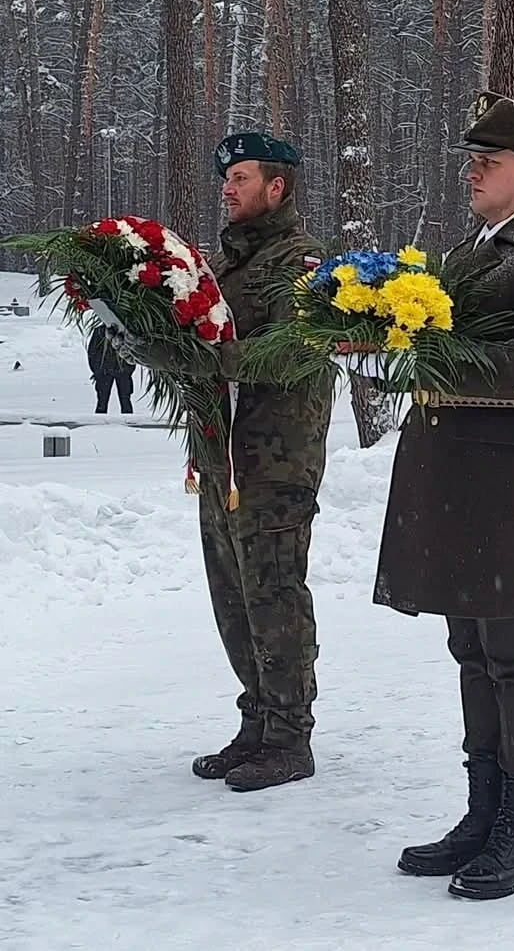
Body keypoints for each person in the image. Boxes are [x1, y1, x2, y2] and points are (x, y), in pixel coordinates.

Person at [376, 93, 514, 900]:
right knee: (470, 651)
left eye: (489, 161)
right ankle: (482, 811)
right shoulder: (471, 250)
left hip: (509, 486)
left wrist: (428, 354)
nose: (473, 171)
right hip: (457, 482)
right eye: (472, 160)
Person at [130, 132, 332, 792]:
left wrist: (196, 359)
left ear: (277, 188)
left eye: (241, 177)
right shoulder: (227, 263)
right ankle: (259, 719)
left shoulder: (302, 264)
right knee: (235, 599)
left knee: (273, 594)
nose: (228, 187)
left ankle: (289, 735)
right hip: (224, 456)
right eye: (227, 177)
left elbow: (290, 351)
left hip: (276, 461)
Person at [87, 325, 135, 414]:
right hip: (106, 371)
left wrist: (128, 369)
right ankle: (99, 423)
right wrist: (97, 370)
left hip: (121, 370)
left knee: (125, 400)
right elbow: (92, 352)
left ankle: (129, 422)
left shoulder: (125, 330)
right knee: (102, 401)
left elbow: (133, 351)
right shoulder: (100, 331)